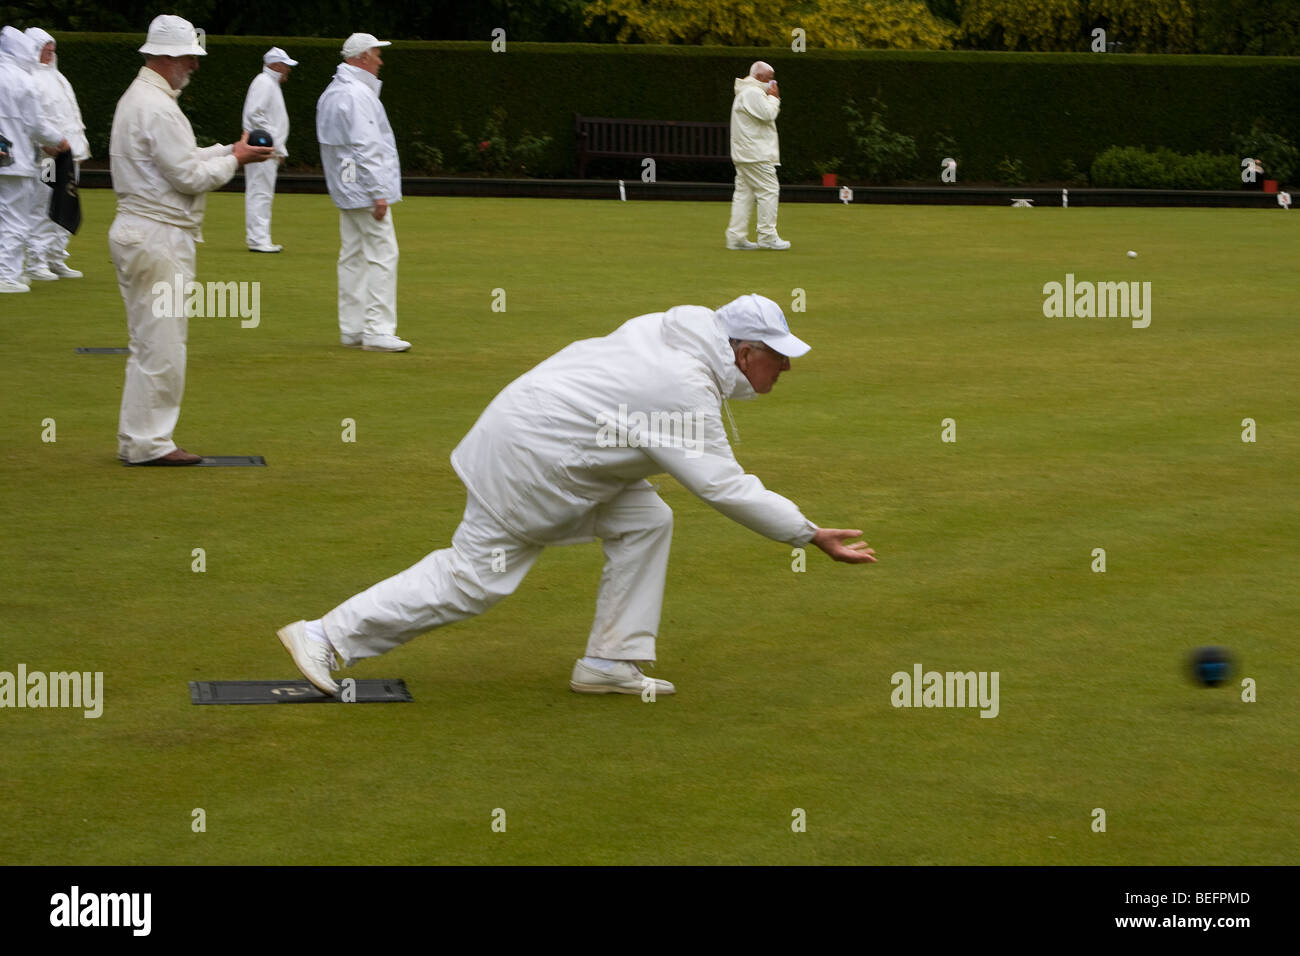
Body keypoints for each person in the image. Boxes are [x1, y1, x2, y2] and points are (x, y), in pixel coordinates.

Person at [277, 294, 876, 697]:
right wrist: (808, 532)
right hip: (532, 459)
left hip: (550, 444)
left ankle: (609, 660)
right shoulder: (683, 384)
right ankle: (326, 635)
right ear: (744, 352)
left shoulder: (679, 337)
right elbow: (722, 484)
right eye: (778, 358)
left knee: (647, 520)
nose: (786, 370)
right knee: (474, 579)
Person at [108, 14, 273, 465]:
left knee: (149, 341)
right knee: (163, 344)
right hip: (158, 234)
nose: (194, 66)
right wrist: (237, 160)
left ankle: (138, 438)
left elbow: (177, 162)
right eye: (187, 57)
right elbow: (188, 177)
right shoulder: (157, 106)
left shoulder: (141, 98)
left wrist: (227, 150)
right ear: (163, 56)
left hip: (141, 230)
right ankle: (151, 443)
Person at [316, 32, 410, 352]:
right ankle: (378, 330)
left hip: (346, 186)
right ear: (363, 57)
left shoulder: (334, 91)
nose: (381, 61)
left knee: (353, 255)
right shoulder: (356, 94)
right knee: (384, 253)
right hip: (361, 188)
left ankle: (353, 328)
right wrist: (378, 192)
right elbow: (365, 145)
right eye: (377, 54)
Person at [0, 25, 68, 293]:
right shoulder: (22, 80)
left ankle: (10, 271)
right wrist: (58, 140)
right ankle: (7, 275)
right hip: (15, 161)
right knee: (15, 217)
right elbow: (36, 124)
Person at [23, 28, 89, 280]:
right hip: (48, 157)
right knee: (43, 204)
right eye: (45, 48)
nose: (50, 52)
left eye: (52, 48)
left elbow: (72, 117)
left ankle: (55, 256)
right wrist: (44, 146)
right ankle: (36, 260)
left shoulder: (59, 78)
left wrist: (80, 148)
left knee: (65, 202)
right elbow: (33, 121)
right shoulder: (30, 80)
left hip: (70, 155)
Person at [725, 61, 789, 251]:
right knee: (769, 190)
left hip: (747, 154)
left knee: (744, 195)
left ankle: (736, 237)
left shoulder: (748, 92)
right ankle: (767, 236)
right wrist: (775, 98)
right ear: (760, 77)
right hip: (756, 155)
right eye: (770, 78)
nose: (773, 82)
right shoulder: (752, 93)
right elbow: (768, 114)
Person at [242, 46, 296, 253]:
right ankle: (257, 240)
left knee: (262, 192)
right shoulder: (264, 83)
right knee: (260, 192)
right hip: (261, 150)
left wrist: (278, 149)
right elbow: (254, 115)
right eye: (286, 66)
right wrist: (273, 145)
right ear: (276, 65)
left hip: (265, 150)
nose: (288, 70)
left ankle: (259, 237)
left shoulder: (269, 84)